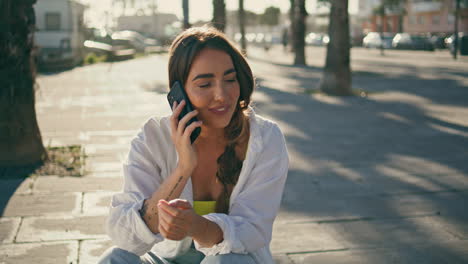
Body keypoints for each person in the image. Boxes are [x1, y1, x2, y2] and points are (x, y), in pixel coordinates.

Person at [98, 26, 289, 264]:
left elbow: (253, 231)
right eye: (204, 84)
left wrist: (196, 226)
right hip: (166, 259)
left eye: (230, 79)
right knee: (115, 259)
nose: (221, 95)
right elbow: (126, 238)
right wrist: (183, 168)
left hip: (236, 259)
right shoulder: (153, 137)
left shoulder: (265, 138)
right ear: (180, 93)